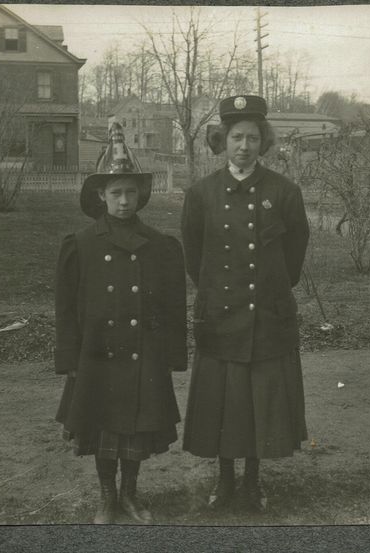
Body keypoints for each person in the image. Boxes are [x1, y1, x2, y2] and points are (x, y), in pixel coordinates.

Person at [181, 95, 310, 512]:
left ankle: (253, 482)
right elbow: (193, 255)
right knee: (226, 403)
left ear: (263, 141)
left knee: (259, 405)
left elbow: (294, 257)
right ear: (223, 140)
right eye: (237, 136)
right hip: (220, 317)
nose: (244, 145)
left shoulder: (284, 191)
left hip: (266, 319)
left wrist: (266, 292)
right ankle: (223, 480)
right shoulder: (202, 193)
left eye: (253, 137)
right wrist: (219, 292)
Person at [54, 122, 187, 524]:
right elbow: (65, 308)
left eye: (131, 192)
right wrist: (70, 357)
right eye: (116, 193)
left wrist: (171, 354)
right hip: (97, 352)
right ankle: (107, 496)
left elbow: (173, 306)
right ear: (101, 195)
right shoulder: (81, 245)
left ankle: (130, 493)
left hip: (142, 353)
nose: (124, 201)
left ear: (141, 195)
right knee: (100, 429)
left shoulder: (160, 246)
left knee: (134, 431)